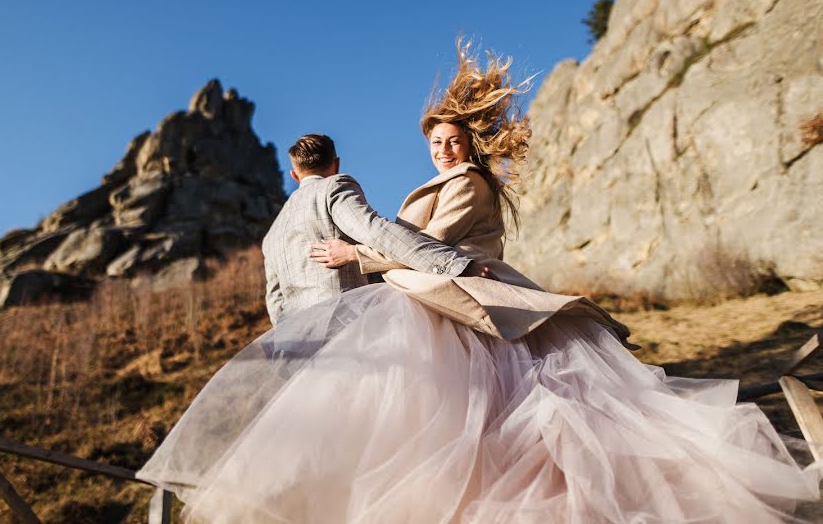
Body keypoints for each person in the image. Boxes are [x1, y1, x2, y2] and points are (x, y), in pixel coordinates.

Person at [137, 40, 821, 523]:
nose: (443, 149)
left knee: (517, 424)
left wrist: (358, 257)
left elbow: (430, 247)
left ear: (469, 146)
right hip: (428, 300)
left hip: (468, 299)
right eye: (435, 142)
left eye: (452, 141)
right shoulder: (430, 180)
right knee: (442, 436)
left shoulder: (467, 184)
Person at [262, 132, 490, 325]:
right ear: (336, 163)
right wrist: (452, 264)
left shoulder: (272, 234)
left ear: (295, 174)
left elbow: (275, 303)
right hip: (343, 329)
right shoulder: (333, 187)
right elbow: (376, 232)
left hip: (297, 349)